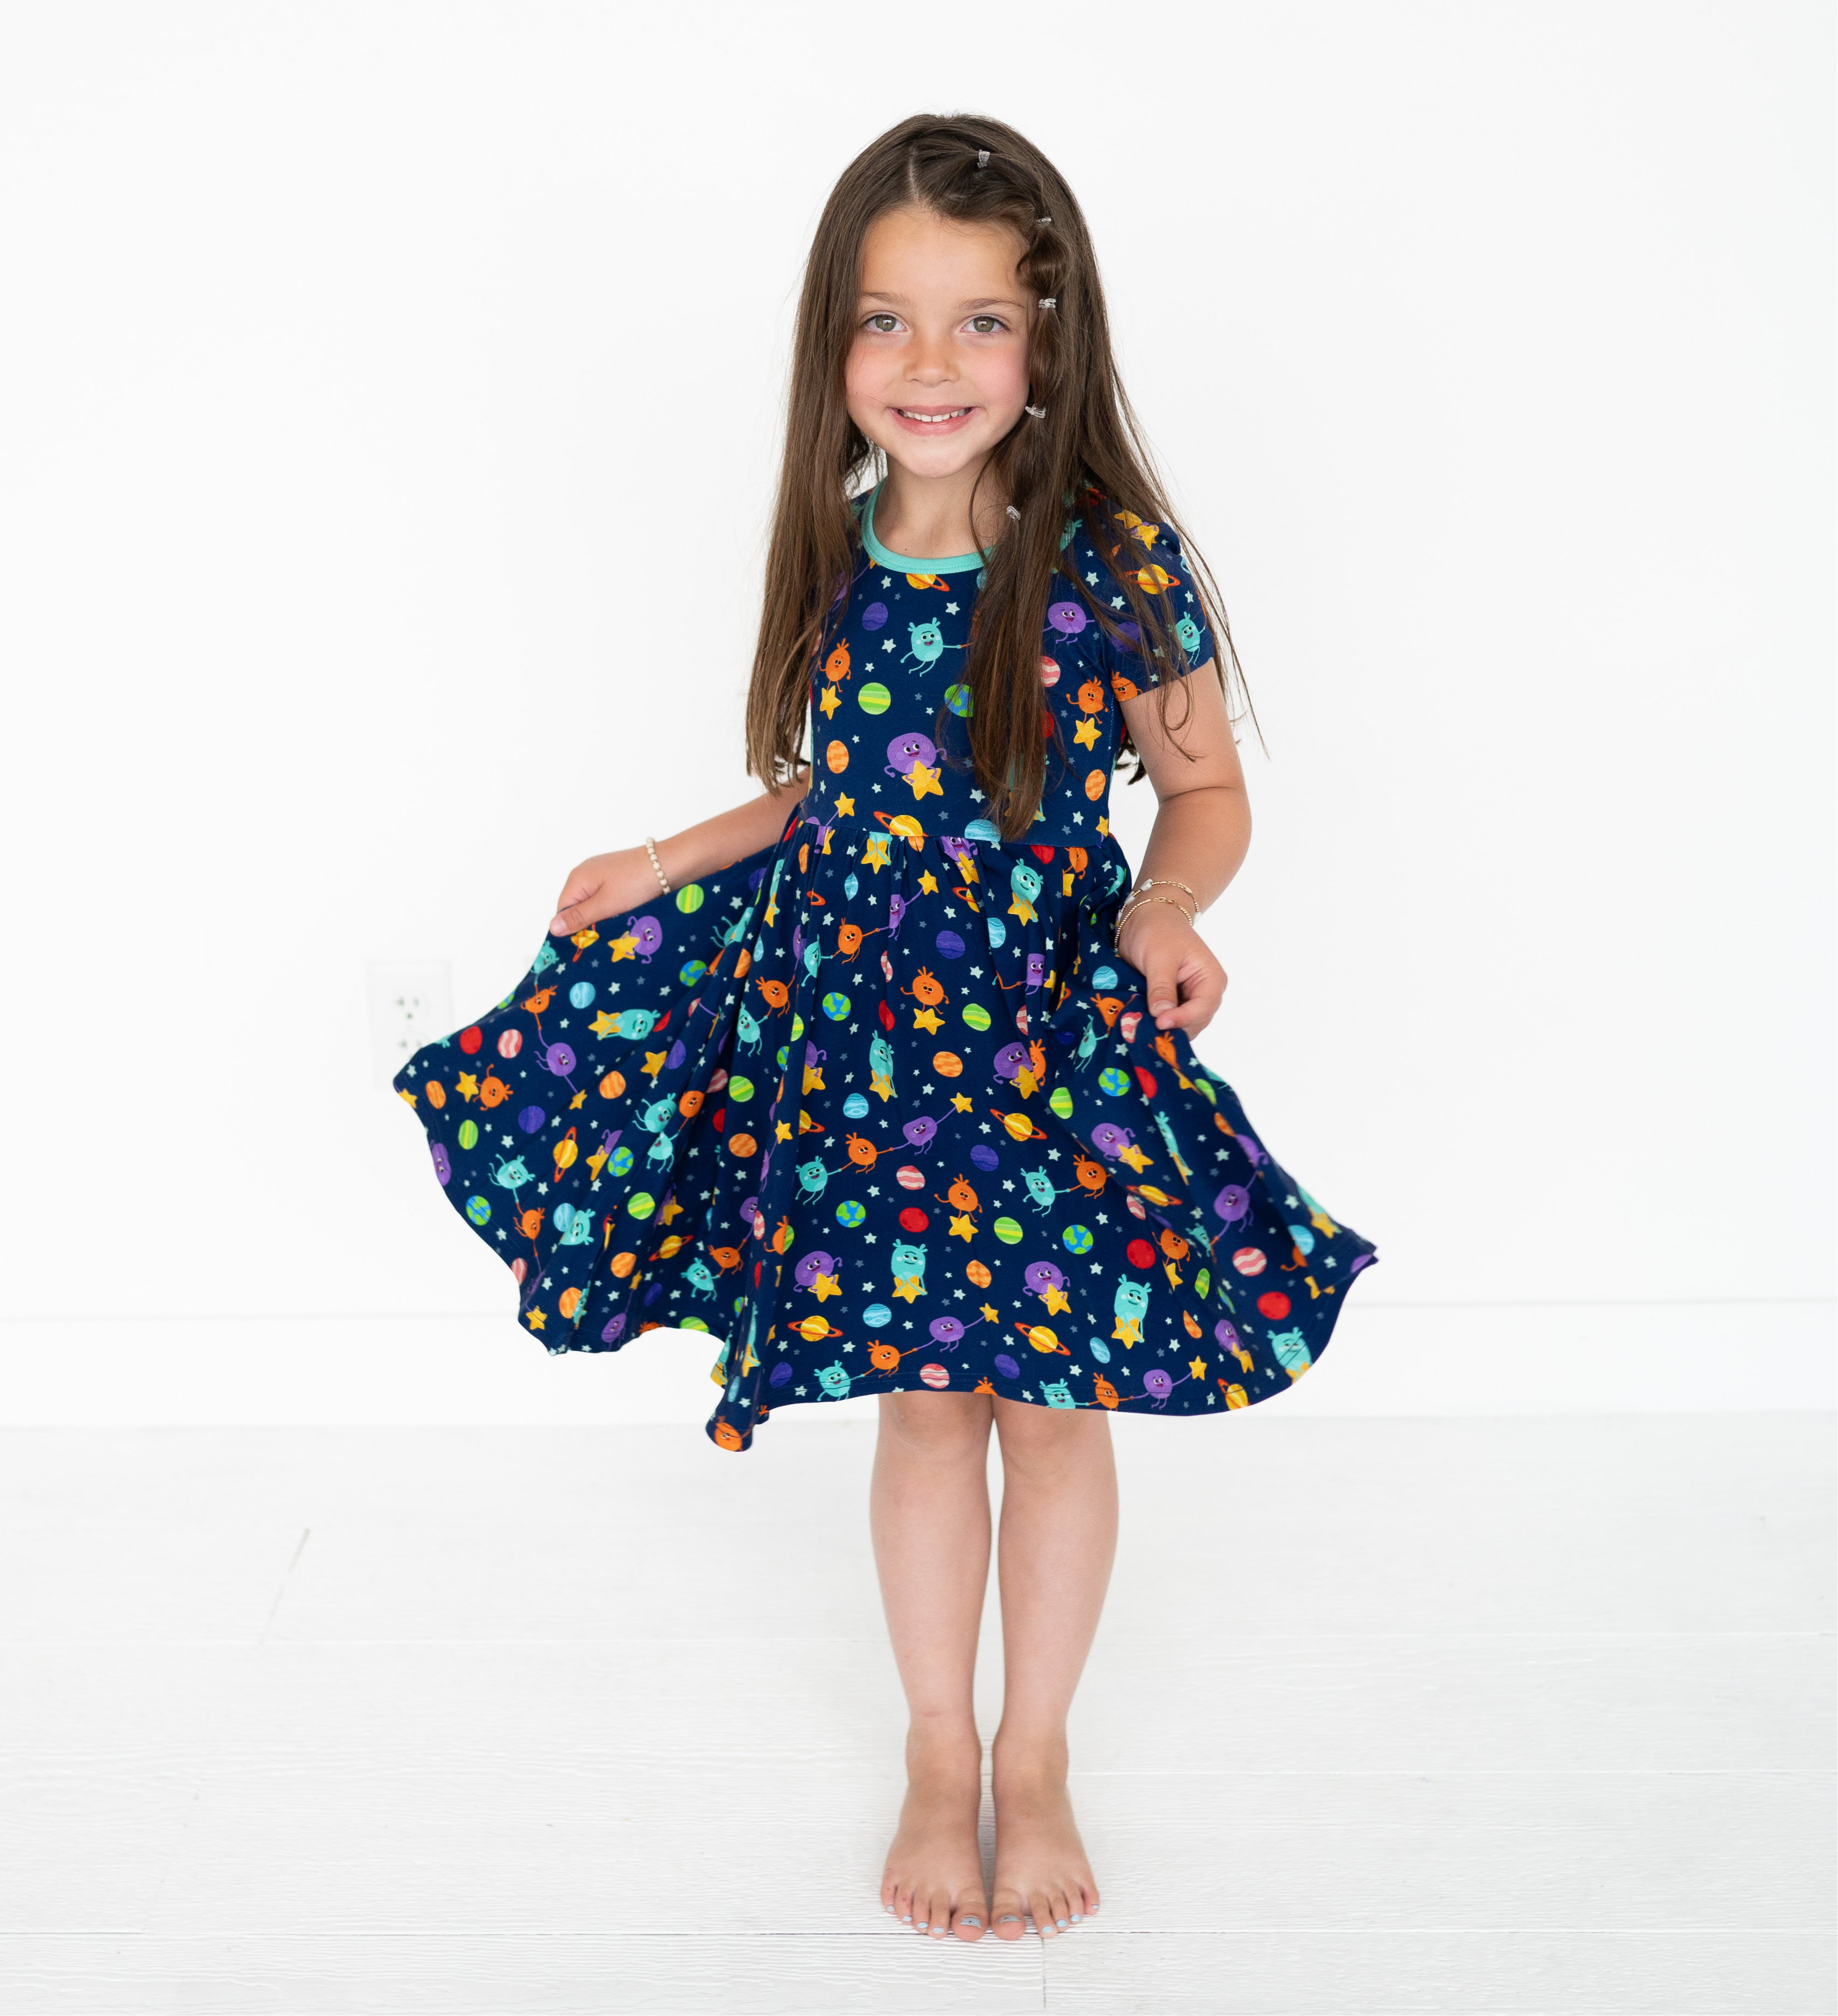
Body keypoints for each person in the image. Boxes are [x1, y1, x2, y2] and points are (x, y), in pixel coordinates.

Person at [393, 112, 1376, 1947]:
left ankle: (1040, 1745)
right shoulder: (834, 550)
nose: (931, 366)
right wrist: (667, 853)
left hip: (1043, 1042)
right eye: (887, 322)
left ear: (1049, 341)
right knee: (928, 1396)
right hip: (862, 1048)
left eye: (979, 323)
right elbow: (822, 791)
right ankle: (941, 1748)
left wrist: (1167, 907)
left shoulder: (1105, 562)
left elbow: (1208, 795)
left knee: (1055, 1394)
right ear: (831, 351)